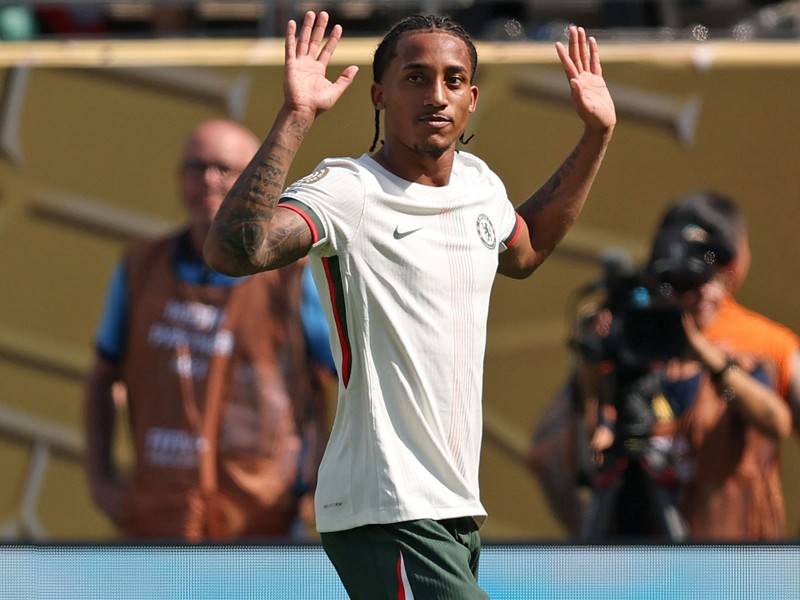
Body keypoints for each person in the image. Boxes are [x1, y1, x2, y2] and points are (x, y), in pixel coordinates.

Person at [204, 11, 615, 598]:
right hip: (387, 503)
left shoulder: (479, 185)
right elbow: (232, 251)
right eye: (416, 78)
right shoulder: (348, 189)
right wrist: (296, 115)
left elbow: (526, 250)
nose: (436, 95)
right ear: (380, 95)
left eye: (453, 80)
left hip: (452, 507)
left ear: (472, 98)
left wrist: (596, 134)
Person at [84, 119, 334, 541]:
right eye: (196, 167)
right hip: (160, 520)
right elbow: (103, 376)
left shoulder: (292, 275)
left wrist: (322, 484)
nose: (208, 180)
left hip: (262, 521)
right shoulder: (140, 266)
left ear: (256, 180)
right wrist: (101, 481)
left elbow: (341, 379)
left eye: (225, 169)